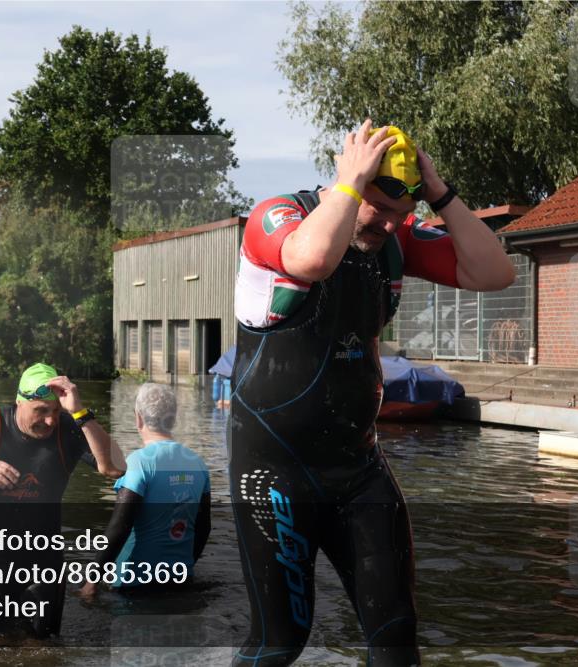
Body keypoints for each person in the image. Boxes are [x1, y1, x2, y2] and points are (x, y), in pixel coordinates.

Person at [228, 121, 515, 667]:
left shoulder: (393, 241)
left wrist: (441, 195)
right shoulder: (277, 216)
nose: (387, 223)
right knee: (281, 641)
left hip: (359, 469)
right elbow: (311, 261)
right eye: (376, 206)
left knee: (396, 633)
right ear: (349, 181)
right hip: (274, 472)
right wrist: (352, 182)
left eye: (399, 214)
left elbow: (494, 272)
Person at [0, 362, 125, 638]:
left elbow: (115, 467)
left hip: (44, 559)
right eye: (41, 411)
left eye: (55, 411)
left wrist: (80, 413)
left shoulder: (69, 428)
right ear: (19, 402)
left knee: (43, 645)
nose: (50, 421)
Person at [79, 383, 210, 599]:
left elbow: (119, 528)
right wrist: (186, 567)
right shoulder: (198, 464)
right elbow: (204, 527)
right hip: (180, 581)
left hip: (134, 583)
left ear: (138, 418)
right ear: (174, 418)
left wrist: (91, 580)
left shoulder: (138, 464)